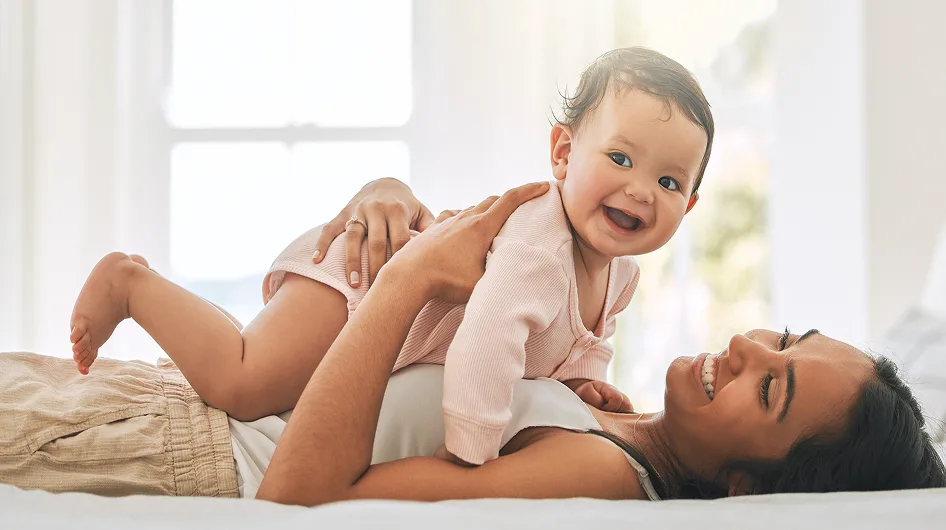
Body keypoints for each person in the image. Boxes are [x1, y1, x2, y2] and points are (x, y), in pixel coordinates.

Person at [1, 182, 944, 502]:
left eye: (770, 389)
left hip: (191, 452)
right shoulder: (610, 414)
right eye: (783, 337)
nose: (744, 347)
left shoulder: (606, 477)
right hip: (157, 393)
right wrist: (389, 212)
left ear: (747, 492)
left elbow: (301, 496)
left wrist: (408, 278)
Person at [67, 47, 714, 465]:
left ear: (687, 207)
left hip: (384, 314)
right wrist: (471, 450)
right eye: (621, 158)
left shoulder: (620, 275)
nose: (639, 189)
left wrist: (580, 384)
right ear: (564, 154)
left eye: (668, 181)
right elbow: (485, 347)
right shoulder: (540, 249)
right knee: (243, 381)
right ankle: (131, 284)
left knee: (267, 389)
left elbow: (579, 341)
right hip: (361, 282)